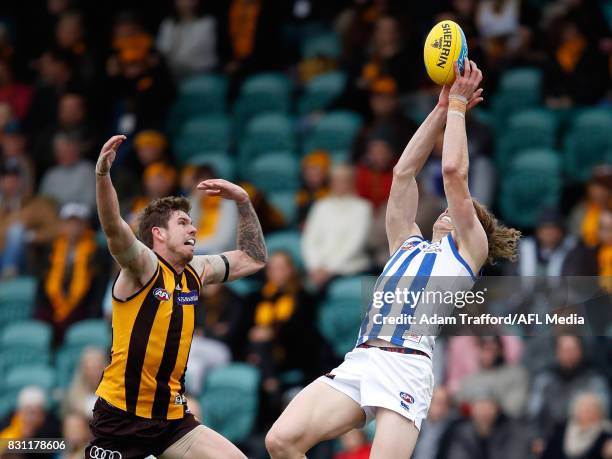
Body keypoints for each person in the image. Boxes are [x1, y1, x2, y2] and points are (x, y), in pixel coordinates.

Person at [266, 59, 521, 458]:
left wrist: (458, 106)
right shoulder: (407, 242)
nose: (450, 209)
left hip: (407, 365)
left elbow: (453, 171)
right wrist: (438, 111)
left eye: (463, 209)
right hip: (362, 357)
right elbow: (403, 172)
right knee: (280, 441)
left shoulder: (469, 253)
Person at [88, 135, 267, 458]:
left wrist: (242, 202)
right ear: (158, 234)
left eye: (192, 223)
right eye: (183, 223)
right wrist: (102, 176)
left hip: (172, 421)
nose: (193, 230)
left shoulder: (196, 271)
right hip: (121, 420)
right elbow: (113, 227)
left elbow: (253, 258)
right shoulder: (142, 267)